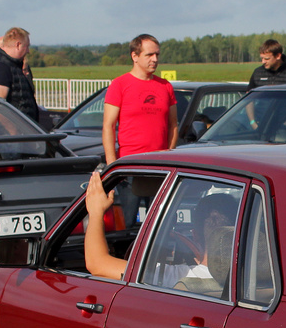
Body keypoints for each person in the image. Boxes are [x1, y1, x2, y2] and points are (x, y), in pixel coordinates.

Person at [83, 171, 236, 284]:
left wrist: (96, 212)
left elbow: (97, 264)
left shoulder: (180, 277)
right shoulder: (252, 280)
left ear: (195, 236)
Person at [102, 34, 178, 164]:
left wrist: (169, 156)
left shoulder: (165, 86)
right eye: (149, 55)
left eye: (157, 55)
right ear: (135, 56)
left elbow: (173, 125)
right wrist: (112, 165)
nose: (154, 59)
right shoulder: (119, 84)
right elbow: (108, 126)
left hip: (160, 164)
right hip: (130, 163)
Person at [0, 27, 39, 124]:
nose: (28, 51)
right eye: (27, 46)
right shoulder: (1, 67)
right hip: (13, 135)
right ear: (18, 45)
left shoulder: (11, 65)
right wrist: (12, 131)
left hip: (23, 131)